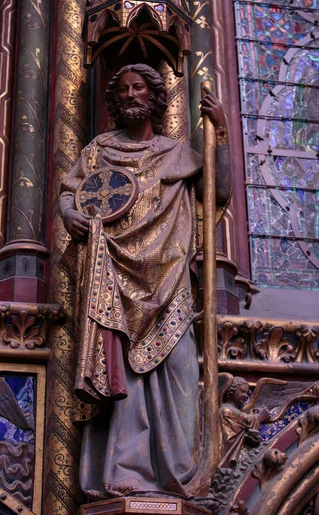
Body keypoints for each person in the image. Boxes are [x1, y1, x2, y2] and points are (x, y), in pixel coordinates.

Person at [59, 64, 231, 499]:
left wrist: (222, 136)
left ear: (154, 97)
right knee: (124, 377)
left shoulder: (177, 153)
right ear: (117, 99)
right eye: (126, 89)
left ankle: (179, 471)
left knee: (177, 371)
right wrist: (69, 214)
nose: (133, 95)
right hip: (112, 279)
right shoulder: (98, 151)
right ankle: (124, 472)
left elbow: (220, 192)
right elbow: (70, 193)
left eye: (140, 88)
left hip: (169, 281)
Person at [219, 377, 270, 468]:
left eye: (246, 392)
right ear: (231, 391)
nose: (246, 395)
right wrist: (259, 416)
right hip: (224, 451)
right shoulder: (225, 410)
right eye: (242, 391)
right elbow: (246, 420)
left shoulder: (235, 411)